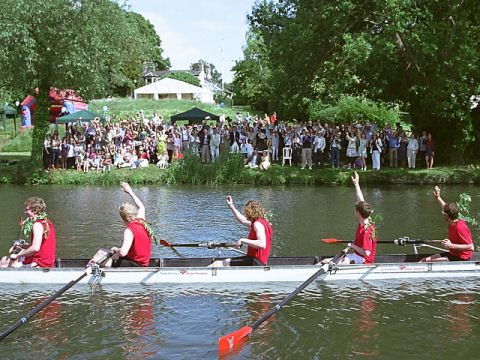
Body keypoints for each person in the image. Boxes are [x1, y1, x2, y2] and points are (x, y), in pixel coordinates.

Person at [88, 182, 153, 267]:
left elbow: (123, 252)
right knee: (101, 252)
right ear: (134, 213)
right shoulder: (142, 221)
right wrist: (130, 191)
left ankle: (90, 271)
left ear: (122, 218)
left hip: (136, 265)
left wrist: (115, 249)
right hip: (140, 261)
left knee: (98, 261)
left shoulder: (129, 230)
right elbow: (141, 206)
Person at [320, 171, 376, 265]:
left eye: (355, 210)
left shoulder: (366, 231)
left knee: (328, 263)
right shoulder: (367, 218)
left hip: (363, 261)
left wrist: (352, 246)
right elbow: (361, 201)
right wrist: (356, 185)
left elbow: (367, 253)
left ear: (358, 213)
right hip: (357, 256)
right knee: (325, 261)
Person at [209, 196, 273, 267]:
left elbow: (262, 244)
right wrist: (231, 206)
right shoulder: (263, 223)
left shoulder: (257, 224)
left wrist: (243, 240)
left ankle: (198, 274)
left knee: (217, 264)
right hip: (254, 260)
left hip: (255, 262)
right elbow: (243, 220)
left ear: (250, 212)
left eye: (246, 211)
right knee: (221, 262)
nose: (245, 213)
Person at [419, 186, 473, 262]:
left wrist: (450, 245)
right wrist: (438, 197)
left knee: (427, 263)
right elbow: (445, 207)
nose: (442, 214)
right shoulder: (452, 221)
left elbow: (471, 247)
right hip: (453, 253)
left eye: (442, 213)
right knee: (423, 260)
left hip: (462, 258)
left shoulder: (460, 227)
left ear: (446, 216)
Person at [0, 197, 56, 268]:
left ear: (35, 210)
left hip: (40, 263)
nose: (25, 212)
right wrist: (21, 246)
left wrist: (17, 255)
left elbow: (35, 248)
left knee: (4, 265)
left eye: (27, 210)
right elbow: (38, 247)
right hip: (41, 260)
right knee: (4, 259)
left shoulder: (37, 225)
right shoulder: (46, 222)